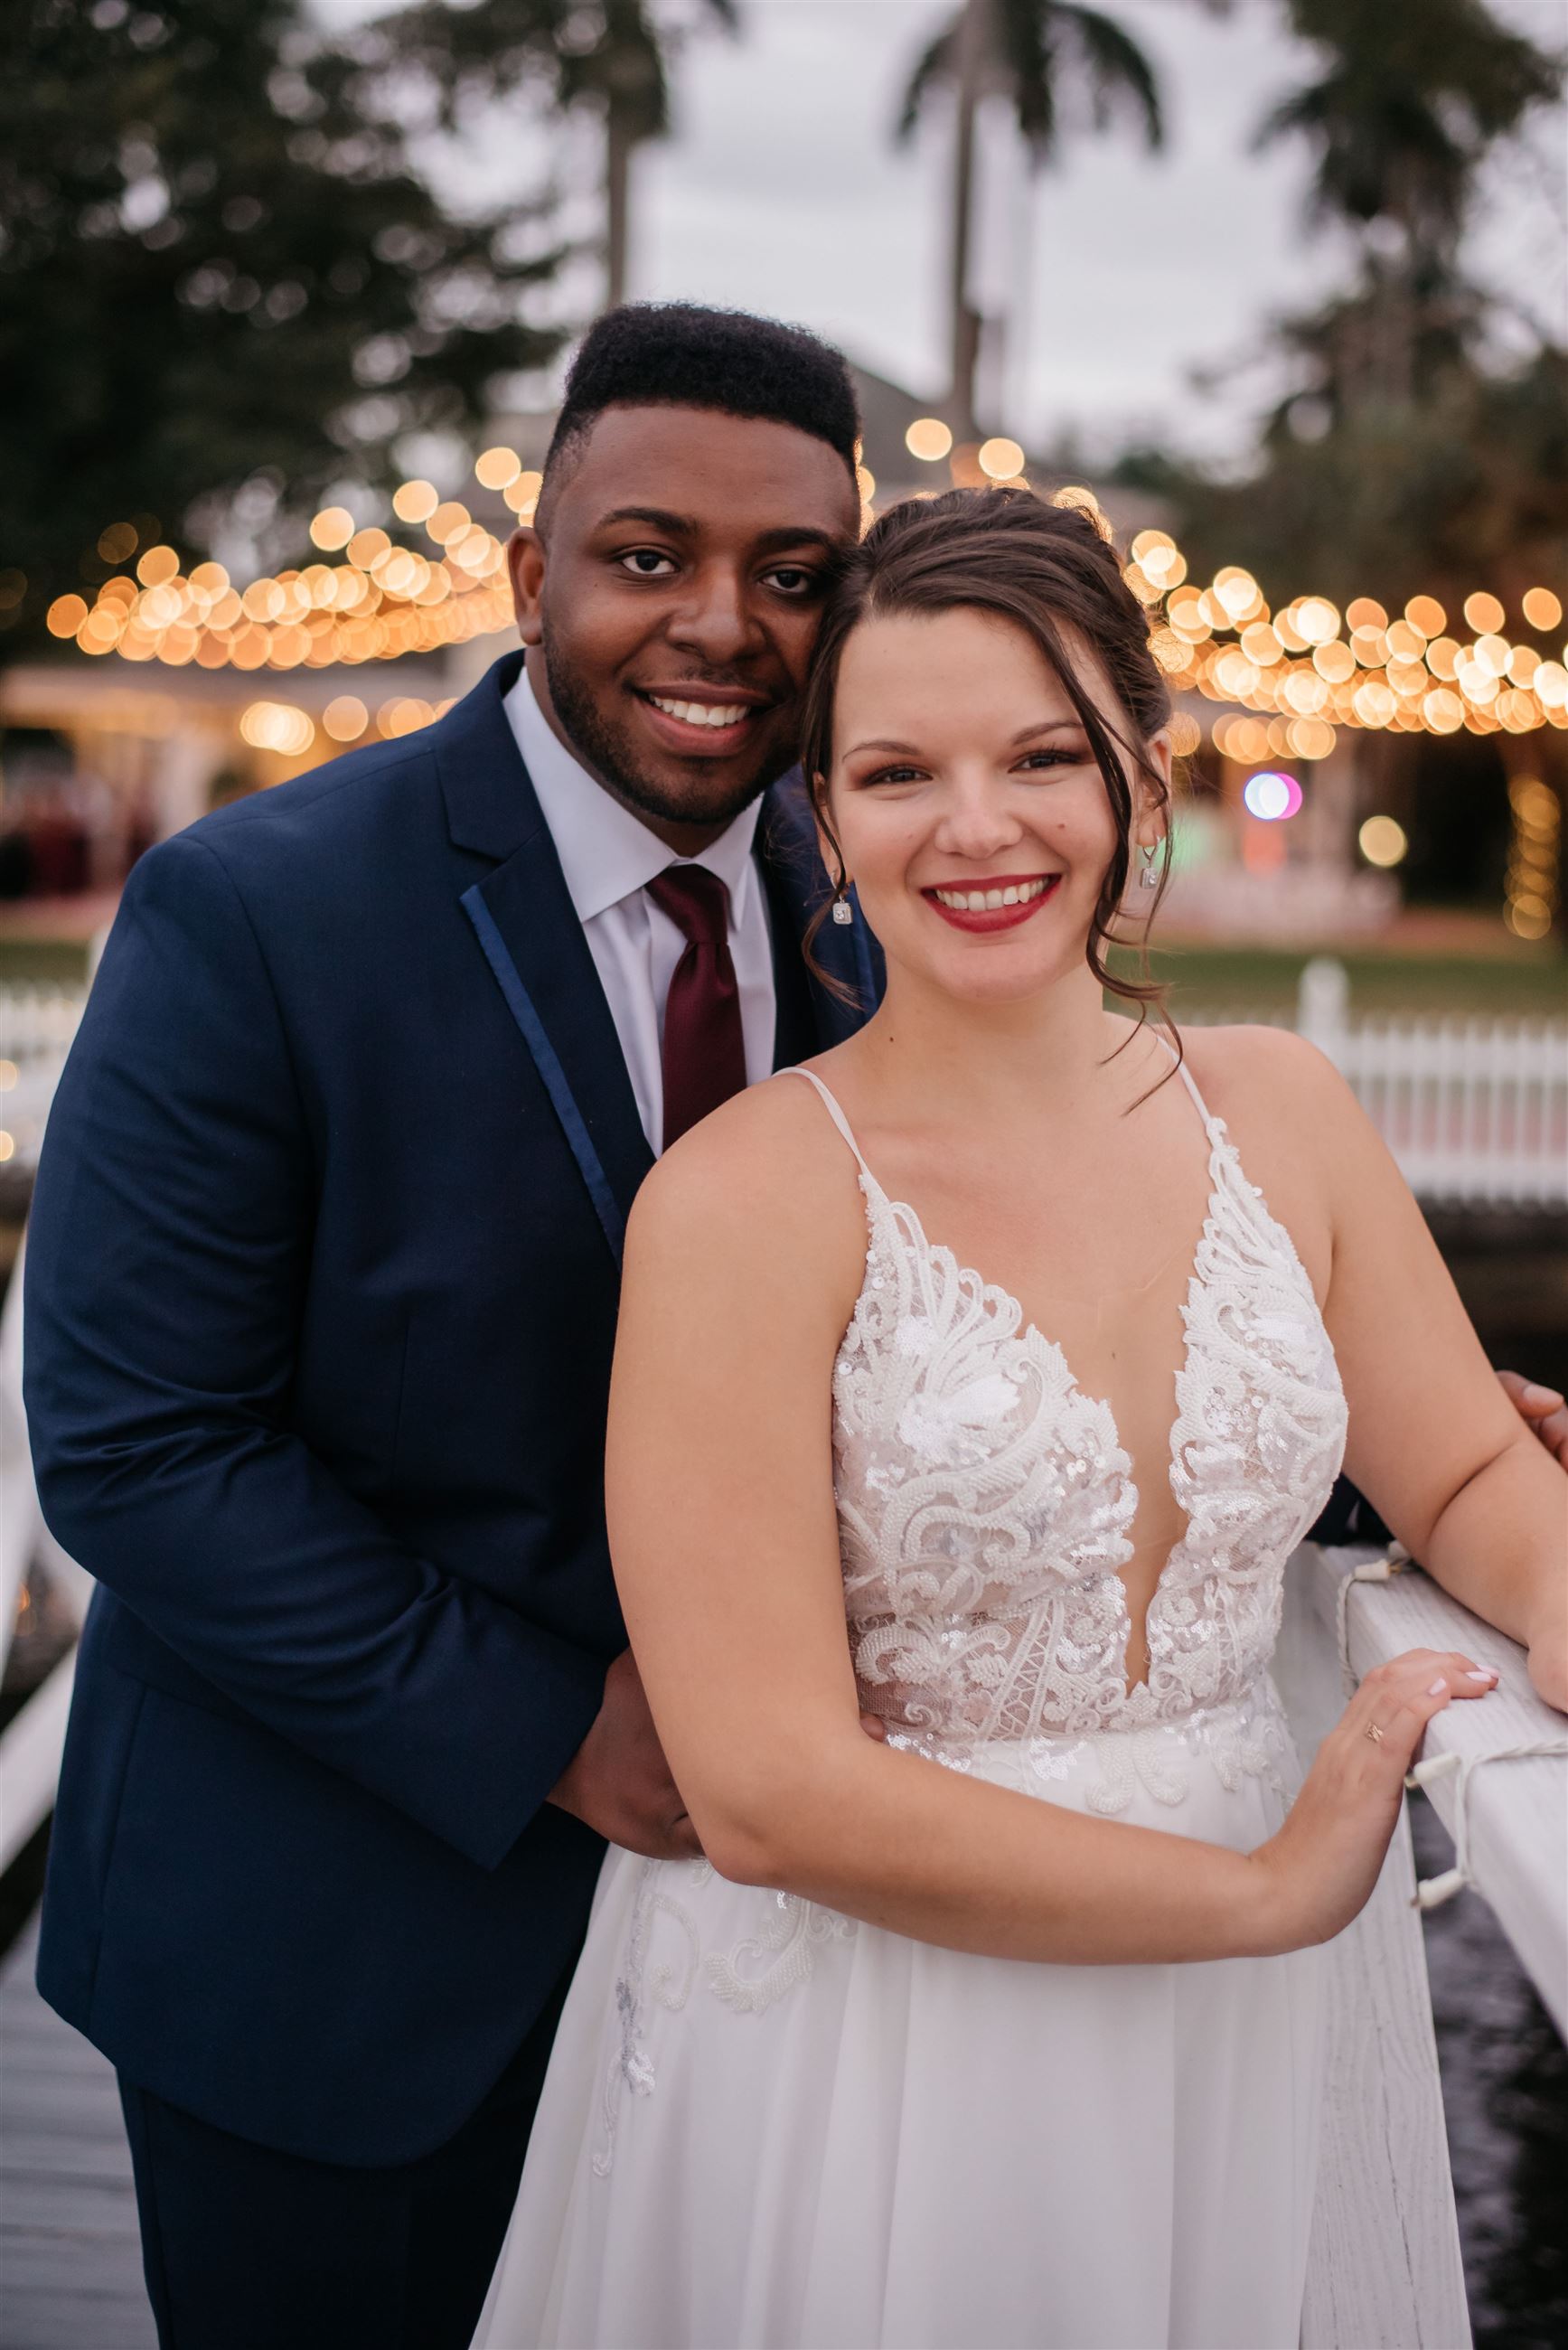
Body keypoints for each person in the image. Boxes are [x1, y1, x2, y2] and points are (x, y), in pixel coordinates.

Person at [21, 305, 1563, 2348]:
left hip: (893, 1926)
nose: (719, 624)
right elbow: (139, 1448)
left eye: (791, 571)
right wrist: (556, 1734)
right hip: (363, 1917)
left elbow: (1006, 1333)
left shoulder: (876, 881)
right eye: (647, 555)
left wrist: (1349, 1440)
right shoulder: (261, 908)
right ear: (530, 572)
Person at [478, 485, 1567, 2350]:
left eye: (1042, 756)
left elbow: (1466, 1464)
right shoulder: (744, 1201)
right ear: (827, 821)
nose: (976, 828)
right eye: (899, 773)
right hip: (882, 2036)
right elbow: (762, 1786)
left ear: (1140, 778)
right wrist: (1265, 1894)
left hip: (1239, 2034)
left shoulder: (1284, 1112)